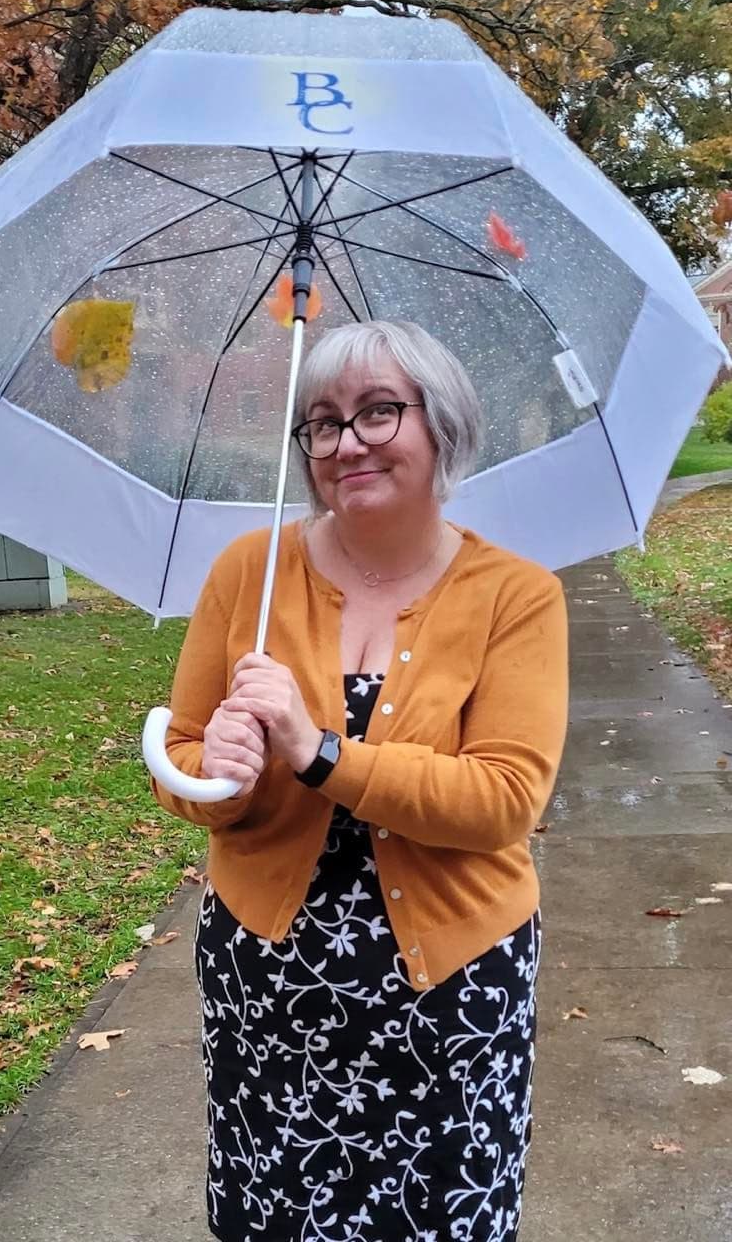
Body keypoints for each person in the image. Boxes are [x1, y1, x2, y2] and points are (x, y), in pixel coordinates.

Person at [149, 320, 569, 1242]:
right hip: (270, 976)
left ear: (440, 426)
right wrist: (215, 769)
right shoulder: (248, 574)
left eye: (379, 411)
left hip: (452, 985)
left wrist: (320, 750)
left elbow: (503, 801)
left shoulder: (516, 595)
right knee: (278, 1211)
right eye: (322, 423)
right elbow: (179, 763)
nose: (348, 443)